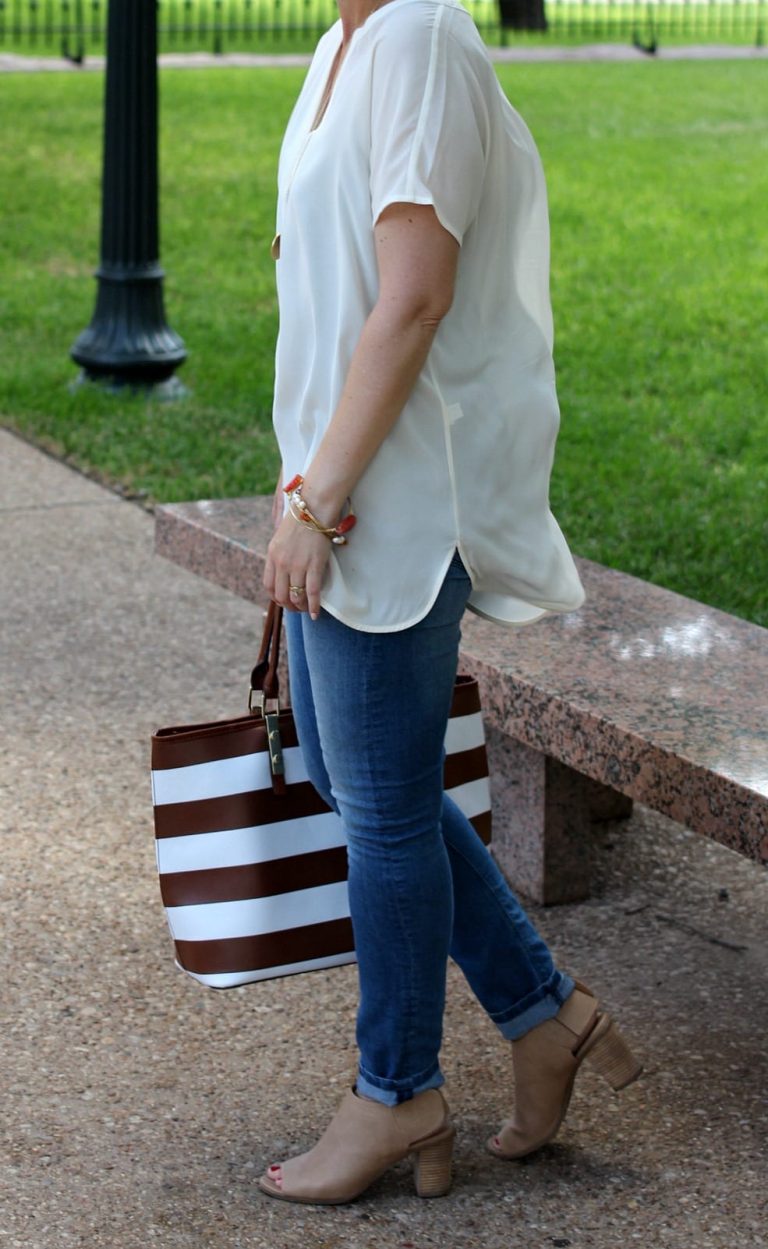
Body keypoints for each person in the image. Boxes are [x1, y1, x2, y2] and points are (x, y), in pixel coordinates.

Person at [260, 0, 641, 1206]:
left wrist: (321, 501)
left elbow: (416, 297)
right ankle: (544, 1014)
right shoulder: (342, 43)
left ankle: (398, 1091)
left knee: (380, 805)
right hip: (336, 481)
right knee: (357, 778)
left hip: (398, 497)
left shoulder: (421, 35)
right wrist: (303, 480)